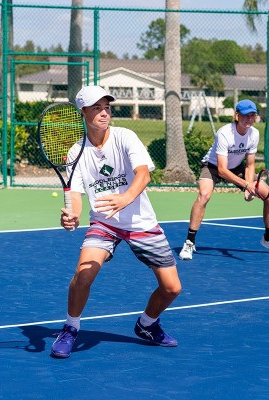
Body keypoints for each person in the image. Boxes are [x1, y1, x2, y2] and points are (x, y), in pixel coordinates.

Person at [51, 85, 182, 358]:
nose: (103, 113)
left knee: (172, 288)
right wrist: (73, 215)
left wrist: (126, 198)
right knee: (83, 274)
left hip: (140, 221)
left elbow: (143, 175)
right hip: (103, 222)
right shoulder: (76, 153)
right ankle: (70, 328)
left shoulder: (125, 137)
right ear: (83, 112)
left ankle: (147, 324)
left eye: (107, 107)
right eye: (96, 108)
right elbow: (75, 194)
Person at [179, 99, 269, 261]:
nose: (249, 119)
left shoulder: (254, 134)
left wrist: (250, 186)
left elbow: (250, 164)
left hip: (238, 167)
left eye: (252, 116)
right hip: (213, 167)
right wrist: (245, 185)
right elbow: (222, 170)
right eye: (245, 116)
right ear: (236, 116)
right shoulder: (225, 133)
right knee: (204, 195)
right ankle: (189, 242)